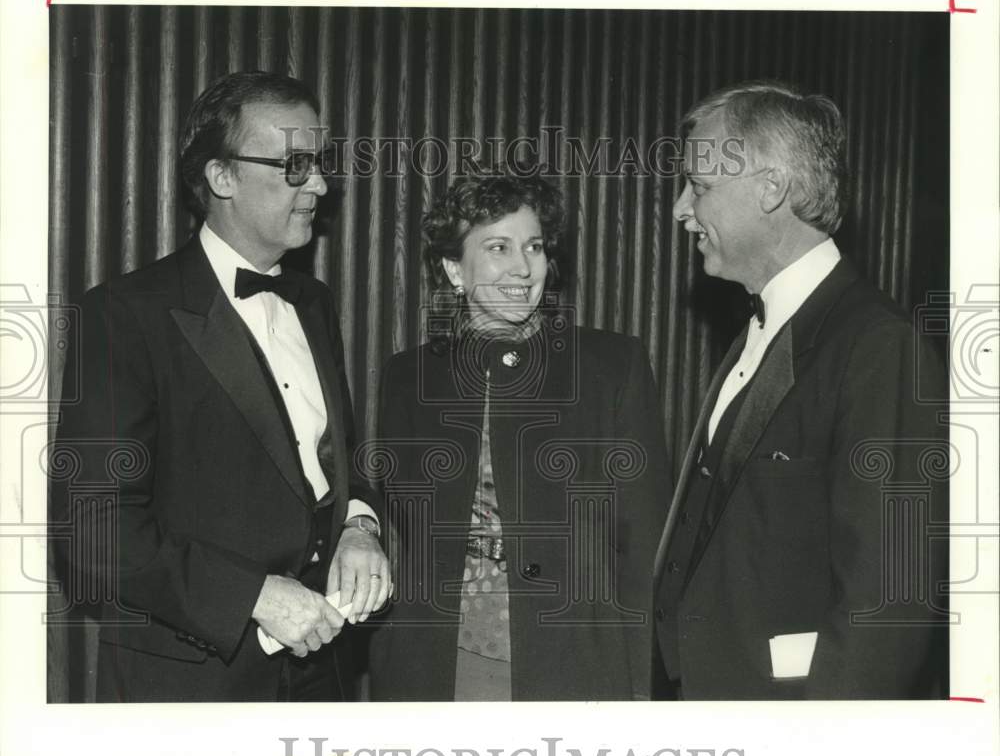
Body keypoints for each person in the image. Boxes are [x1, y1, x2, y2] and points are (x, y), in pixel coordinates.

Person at [51, 71, 390, 702]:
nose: (319, 183)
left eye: (318, 163)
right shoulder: (125, 314)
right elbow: (92, 533)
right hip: (191, 686)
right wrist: (253, 597)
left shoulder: (313, 303)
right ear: (222, 177)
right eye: (295, 164)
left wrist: (359, 527)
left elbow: (334, 465)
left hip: (322, 678)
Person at [652, 81, 949, 700]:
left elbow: (887, 608)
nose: (682, 209)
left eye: (700, 187)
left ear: (771, 188)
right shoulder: (757, 331)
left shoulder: (876, 345)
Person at [366, 167, 670, 701]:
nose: (523, 266)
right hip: (436, 667)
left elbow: (642, 545)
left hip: (574, 667)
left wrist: (641, 691)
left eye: (534, 246)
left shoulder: (610, 366)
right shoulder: (407, 378)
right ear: (453, 270)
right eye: (498, 247)